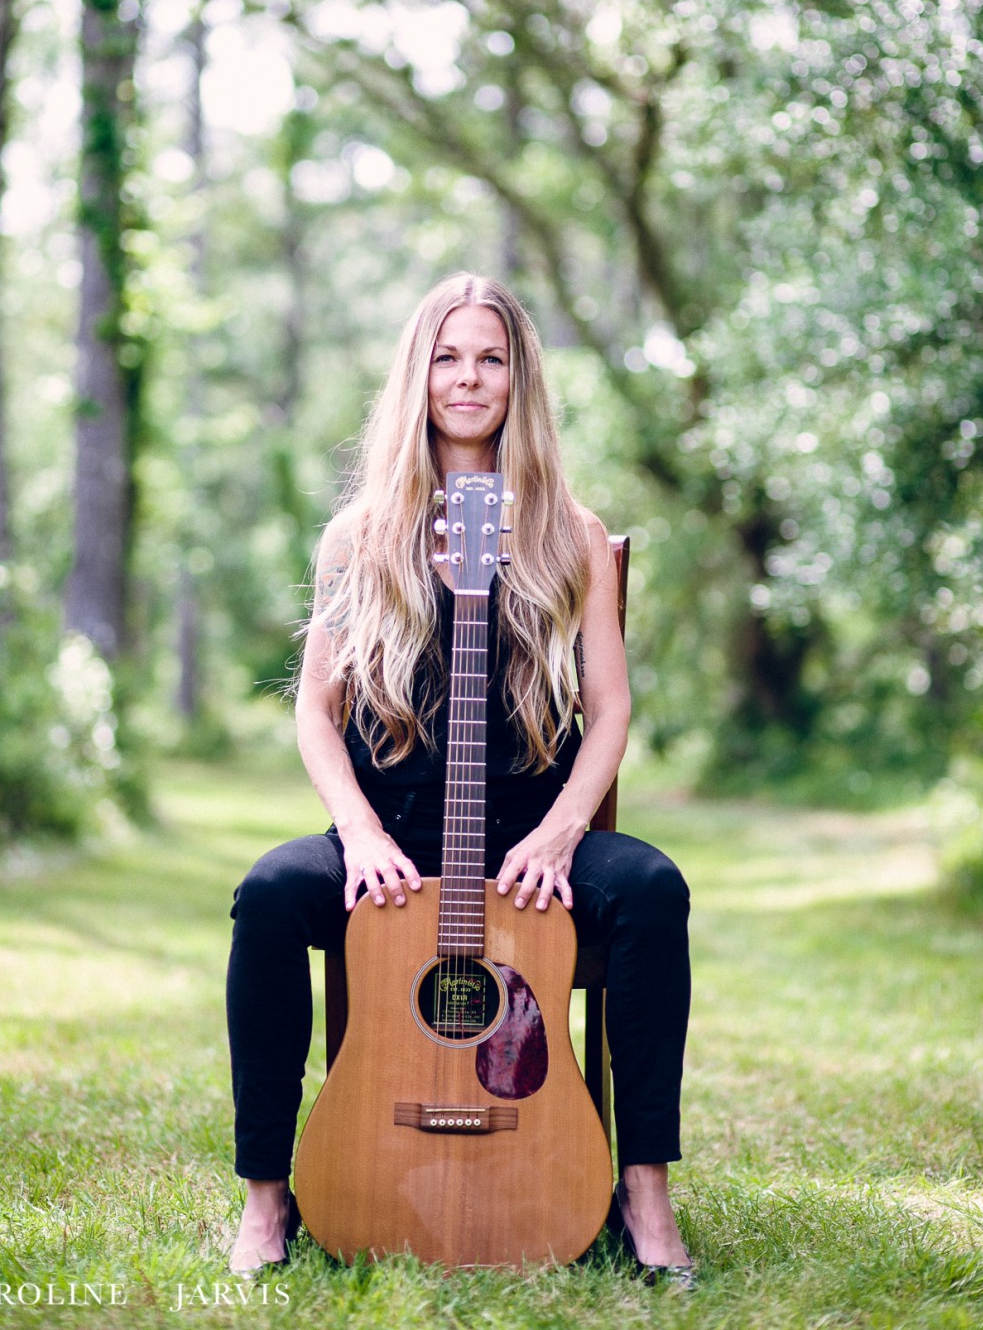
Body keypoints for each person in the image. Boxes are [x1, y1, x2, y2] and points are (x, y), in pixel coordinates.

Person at [225, 273, 692, 1282]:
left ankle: (643, 1189)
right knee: (266, 895)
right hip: (388, 833)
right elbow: (316, 710)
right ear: (416, 374)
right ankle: (268, 1196)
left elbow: (607, 708)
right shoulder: (358, 535)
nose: (467, 378)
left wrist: (565, 832)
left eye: (489, 357)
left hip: (528, 833)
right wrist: (354, 833)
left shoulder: (568, 532)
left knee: (651, 891)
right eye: (446, 357)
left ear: (518, 377)